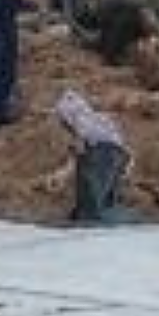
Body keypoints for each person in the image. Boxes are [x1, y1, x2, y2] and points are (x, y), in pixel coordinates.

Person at [55, 90, 136, 225]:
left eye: (63, 121)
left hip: (100, 157)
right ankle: (105, 214)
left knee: (92, 206)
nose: (63, 125)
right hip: (116, 156)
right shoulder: (100, 119)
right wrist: (127, 164)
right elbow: (124, 147)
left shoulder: (81, 123)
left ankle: (116, 219)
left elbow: (79, 148)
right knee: (105, 199)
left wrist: (63, 172)